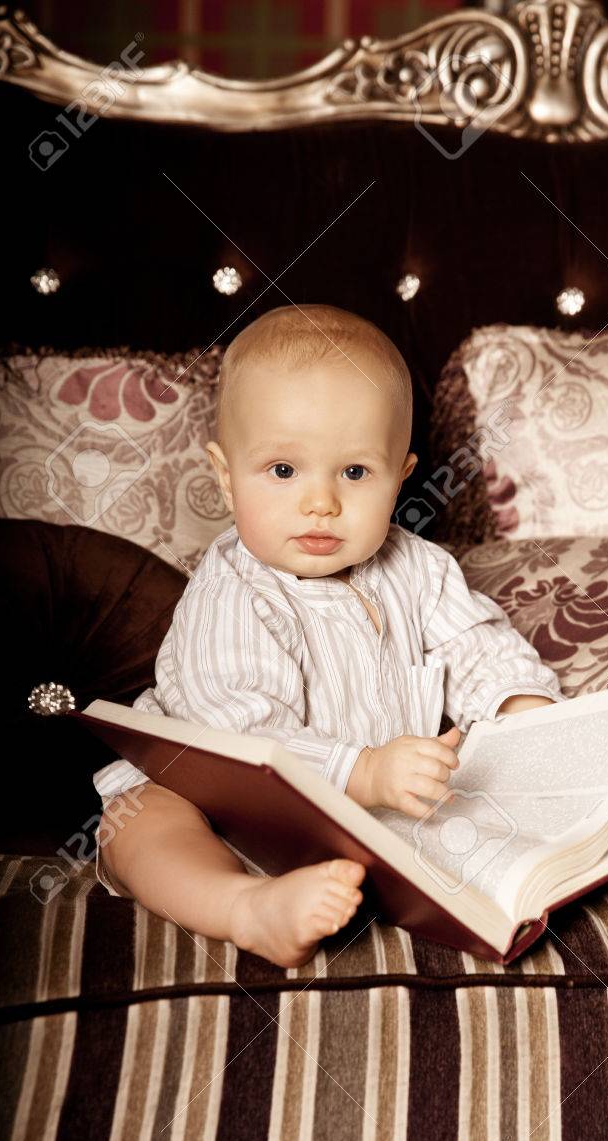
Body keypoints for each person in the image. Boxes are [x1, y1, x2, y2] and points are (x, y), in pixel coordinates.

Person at [94, 304, 564, 968]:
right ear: (226, 478)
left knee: (477, 801)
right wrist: (363, 769)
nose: (322, 502)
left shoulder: (420, 569)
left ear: (400, 477)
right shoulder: (234, 589)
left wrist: (523, 709)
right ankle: (246, 908)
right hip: (227, 806)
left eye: (354, 473)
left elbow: (478, 646)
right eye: (284, 471)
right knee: (137, 820)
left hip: (378, 815)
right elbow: (240, 734)